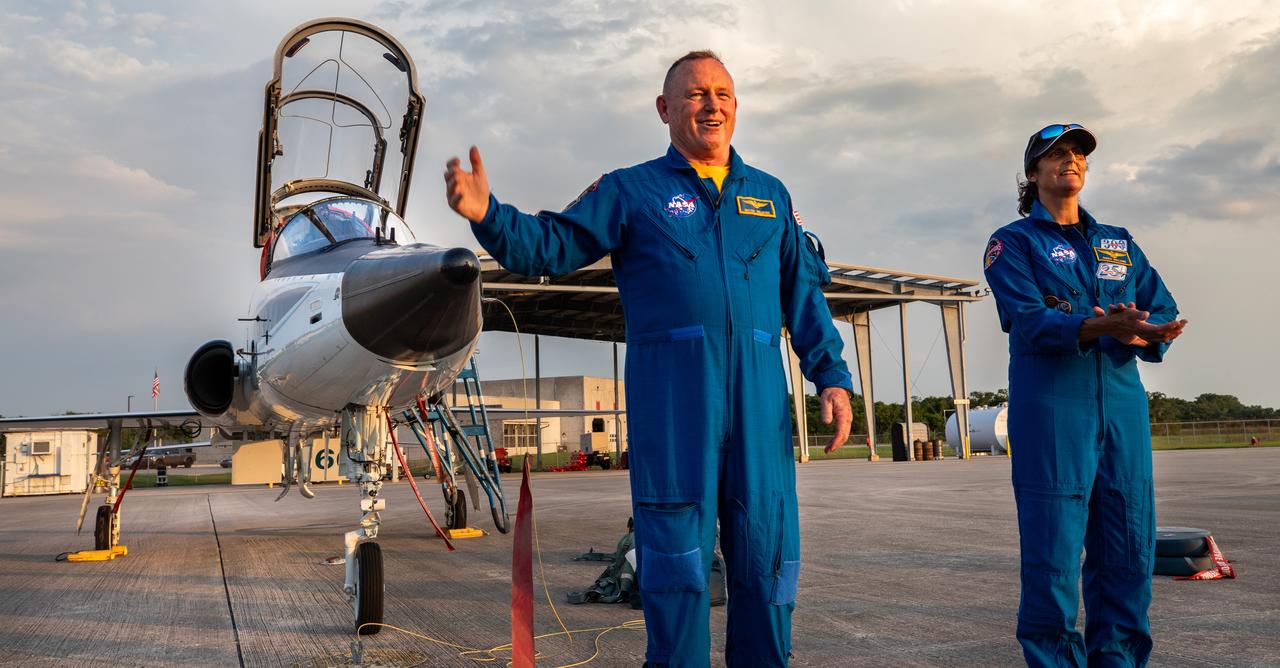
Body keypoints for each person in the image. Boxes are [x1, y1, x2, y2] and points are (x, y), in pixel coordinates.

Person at [445, 50, 854, 667]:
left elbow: (802, 293)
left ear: (736, 106)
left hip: (759, 415)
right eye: (694, 95)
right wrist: (489, 216)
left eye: (722, 93)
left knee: (768, 565)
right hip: (674, 415)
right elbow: (552, 244)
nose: (710, 104)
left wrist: (832, 375)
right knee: (674, 570)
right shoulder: (631, 191)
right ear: (665, 110)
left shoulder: (770, 196)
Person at [983, 123, 1188, 666]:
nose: (1068, 162)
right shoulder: (1014, 243)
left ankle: (1118, 660)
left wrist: (1144, 330)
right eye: (1054, 155)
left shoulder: (1116, 241)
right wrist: (1098, 327)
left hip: (1121, 405)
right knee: (1052, 554)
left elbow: (1160, 306)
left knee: (1128, 545)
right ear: (1033, 173)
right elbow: (1029, 320)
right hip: (1053, 409)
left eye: (1076, 154)